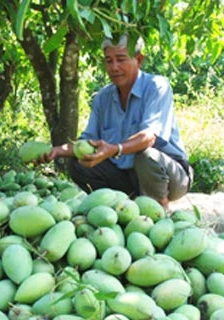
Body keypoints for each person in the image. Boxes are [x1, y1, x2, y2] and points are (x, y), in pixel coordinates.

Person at [36, 34, 193, 210]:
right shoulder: (102, 98)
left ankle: (159, 207)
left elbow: (149, 137)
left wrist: (115, 149)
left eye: (121, 59)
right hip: (127, 175)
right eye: (109, 61)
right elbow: (87, 142)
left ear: (139, 60)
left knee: (147, 156)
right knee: (77, 162)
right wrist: (56, 151)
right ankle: (122, 206)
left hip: (169, 175)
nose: (114, 67)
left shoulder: (157, 86)